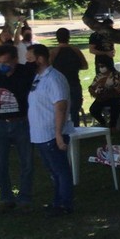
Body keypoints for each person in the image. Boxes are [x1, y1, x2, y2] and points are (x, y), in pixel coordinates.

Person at [0, 44, 36, 212]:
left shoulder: (26, 72)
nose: (2, 65)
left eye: (5, 62)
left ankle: (24, 198)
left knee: (26, 162)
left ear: (15, 60)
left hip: (21, 122)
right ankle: (6, 198)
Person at [26, 44, 74, 216]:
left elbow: (60, 106)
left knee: (61, 171)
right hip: (40, 134)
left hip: (51, 133)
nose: (27, 62)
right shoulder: (38, 77)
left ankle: (64, 204)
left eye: (30, 58)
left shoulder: (54, 79)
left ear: (40, 58)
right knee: (53, 171)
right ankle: (57, 201)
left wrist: (58, 134)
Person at [50, 27, 88, 127]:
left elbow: (48, 68)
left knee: (60, 110)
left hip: (59, 85)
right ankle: (75, 130)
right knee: (74, 111)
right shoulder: (75, 50)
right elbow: (85, 65)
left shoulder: (54, 52)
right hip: (74, 83)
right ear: (69, 37)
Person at [89, 55, 120, 132]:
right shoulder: (99, 76)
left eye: (102, 66)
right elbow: (92, 87)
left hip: (116, 97)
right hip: (103, 98)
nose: (101, 68)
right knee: (93, 109)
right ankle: (103, 123)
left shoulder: (117, 75)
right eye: (99, 66)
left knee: (116, 105)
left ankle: (113, 126)